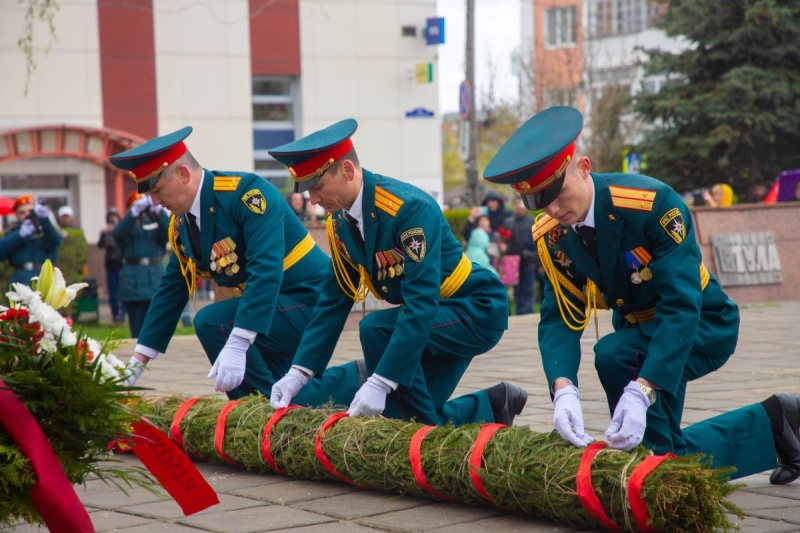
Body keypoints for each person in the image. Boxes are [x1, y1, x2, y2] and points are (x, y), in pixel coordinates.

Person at [483, 105, 800, 484]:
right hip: (641, 335)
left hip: (700, 323)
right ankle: (773, 423)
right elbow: (558, 315)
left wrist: (644, 388)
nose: (552, 208)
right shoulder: (552, 233)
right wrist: (563, 387)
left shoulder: (651, 204)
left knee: (614, 356)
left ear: (583, 167)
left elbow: (682, 305)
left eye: (558, 192)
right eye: (537, 201)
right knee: (663, 453)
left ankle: (663, 472)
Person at [267, 118, 527, 427]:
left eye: (318, 187)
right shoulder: (339, 222)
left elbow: (420, 302)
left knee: (376, 330)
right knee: (415, 414)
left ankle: (429, 431)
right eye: (307, 190)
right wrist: (299, 372)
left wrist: (381, 381)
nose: (313, 199)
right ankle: (495, 405)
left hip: (475, 307)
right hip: (436, 314)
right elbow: (333, 300)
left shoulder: (408, 209)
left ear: (348, 172)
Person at [109, 126, 360, 404]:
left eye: (157, 190)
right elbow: (172, 288)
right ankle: (361, 376)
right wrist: (138, 361)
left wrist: (239, 341)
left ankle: (260, 414)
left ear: (182, 175)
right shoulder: (182, 222)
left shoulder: (246, 195)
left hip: (312, 302)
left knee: (213, 322)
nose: (155, 201)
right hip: (273, 309)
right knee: (299, 395)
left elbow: (265, 270)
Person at [112, 193, 169, 337]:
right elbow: (118, 235)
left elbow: (170, 232)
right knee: (136, 325)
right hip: (133, 277)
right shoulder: (127, 224)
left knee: (156, 324)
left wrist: (159, 212)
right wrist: (132, 214)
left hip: (154, 276)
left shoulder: (155, 221)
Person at [0, 195, 63, 286]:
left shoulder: (45, 229)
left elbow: (55, 241)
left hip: (42, 275)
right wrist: (19, 235)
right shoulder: (13, 232)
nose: (27, 215)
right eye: (22, 212)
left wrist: (45, 220)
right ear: (17, 215)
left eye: (30, 211)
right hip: (20, 277)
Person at [500, 197, 540, 315]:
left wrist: (536, 260)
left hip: (528, 259)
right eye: (517, 205)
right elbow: (504, 240)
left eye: (521, 205)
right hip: (513, 261)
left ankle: (528, 310)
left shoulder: (531, 221)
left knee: (529, 286)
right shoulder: (508, 222)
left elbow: (537, 241)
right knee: (517, 288)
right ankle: (520, 311)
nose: (519, 207)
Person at [97, 207, 124, 324]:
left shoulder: (123, 230)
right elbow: (100, 245)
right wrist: (106, 234)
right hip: (110, 264)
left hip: (121, 263)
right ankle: (115, 315)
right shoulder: (105, 232)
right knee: (112, 291)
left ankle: (122, 314)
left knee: (122, 291)